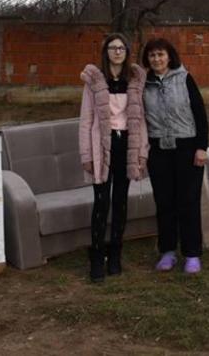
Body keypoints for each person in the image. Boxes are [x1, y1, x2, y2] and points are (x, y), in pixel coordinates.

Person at [78, 33, 148, 283]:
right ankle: (96, 256)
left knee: (120, 201)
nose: (117, 52)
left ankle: (115, 252)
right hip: (102, 147)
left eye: (121, 48)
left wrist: (142, 152)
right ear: (105, 51)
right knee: (101, 202)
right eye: (112, 47)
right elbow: (86, 121)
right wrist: (86, 154)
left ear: (127, 52)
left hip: (126, 145)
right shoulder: (95, 81)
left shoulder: (135, 80)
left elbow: (140, 120)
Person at [141, 38, 209, 274]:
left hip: (187, 148)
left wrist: (202, 147)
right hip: (158, 150)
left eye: (161, 54)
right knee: (164, 202)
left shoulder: (185, 78)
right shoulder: (143, 83)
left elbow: (200, 113)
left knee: (188, 201)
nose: (156, 59)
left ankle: (192, 254)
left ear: (169, 56)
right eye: (152, 55)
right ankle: (167, 251)